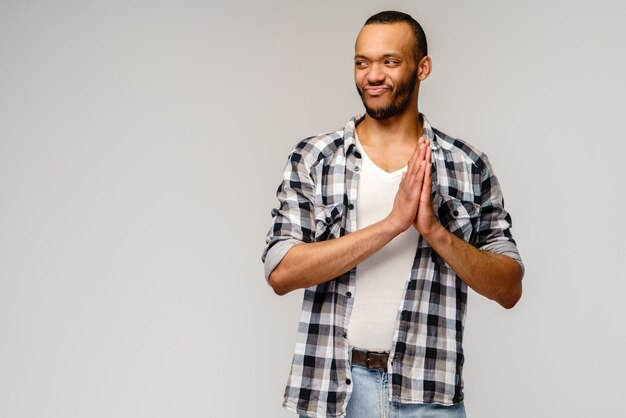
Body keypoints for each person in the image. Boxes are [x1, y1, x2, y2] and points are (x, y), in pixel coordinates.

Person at [261, 10, 524, 418]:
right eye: (362, 62)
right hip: (334, 390)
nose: (373, 75)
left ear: (423, 68)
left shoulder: (466, 165)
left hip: (429, 394)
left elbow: (509, 287)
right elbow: (281, 272)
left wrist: (435, 231)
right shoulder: (315, 158)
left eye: (390, 61)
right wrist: (391, 225)